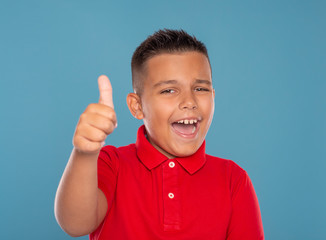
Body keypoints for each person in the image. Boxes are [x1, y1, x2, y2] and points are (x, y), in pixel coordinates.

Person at [54, 29, 264, 240]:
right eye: (169, 90)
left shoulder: (233, 180)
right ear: (137, 106)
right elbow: (75, 224)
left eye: (200, 89)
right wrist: (84, 153)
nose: (189, 102)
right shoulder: (111, 164)